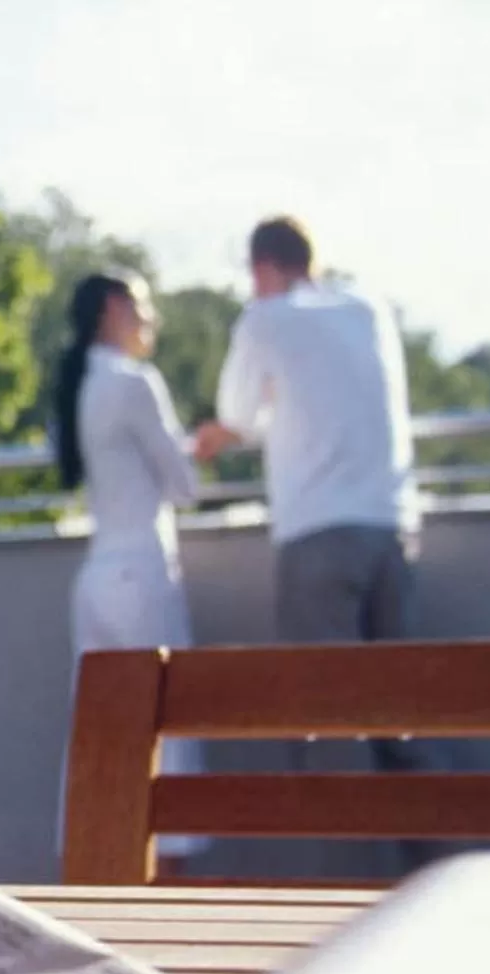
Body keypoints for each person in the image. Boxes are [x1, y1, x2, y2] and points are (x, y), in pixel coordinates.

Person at [195, 217, 430, 700]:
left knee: (324, 709)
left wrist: (226, 432)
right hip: (392, 525)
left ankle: (334, 778)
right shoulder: (368, 310)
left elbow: (235, 415)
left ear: (262, 267)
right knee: (403, 706)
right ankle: (419, 776)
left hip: (317, 531)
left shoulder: (265, 318)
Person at [50, 269, 208, 868]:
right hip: (142, 576)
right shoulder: (133, 382)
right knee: (167, 739)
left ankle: (95, 878)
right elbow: (184, 484)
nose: (150, 321)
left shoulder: (79, 385)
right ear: (114, 309)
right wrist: (203, 446)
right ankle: (169, 891)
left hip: (96, 581)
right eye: (142, 308)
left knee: (98, 741)